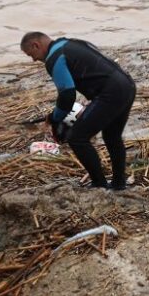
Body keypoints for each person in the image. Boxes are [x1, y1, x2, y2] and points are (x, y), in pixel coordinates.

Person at [20, 32, 136, 190]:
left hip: (110, 93)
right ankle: (118, 184)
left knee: (76, 138)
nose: (33, 59)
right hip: (126, 84)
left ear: (36, 45)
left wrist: (54, 118)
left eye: (31, 55)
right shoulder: (69, 43)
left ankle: (99, 184)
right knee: (112, 136)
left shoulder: (54, 58)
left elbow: (67, 94)